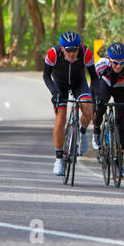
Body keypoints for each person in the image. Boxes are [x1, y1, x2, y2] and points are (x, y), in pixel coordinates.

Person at [43, 31, 99, 176]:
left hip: (78, 83)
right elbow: (46, 75)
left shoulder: (85, 52)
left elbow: (94, 77)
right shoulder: (53, 54)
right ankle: (59, 159)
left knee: (88, 109)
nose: (72, 54)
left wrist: (95, 96)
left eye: (75, 50)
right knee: (60, 119)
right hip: (59, 84)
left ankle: (82, 132)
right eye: (68, 51)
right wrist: (53, 93)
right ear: (62, 49)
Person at [92, 42, 124, 177]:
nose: (119, 66)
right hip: (105, 84)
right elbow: (93, 83)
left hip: (123, 87)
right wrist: (95, 101)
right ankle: (97, 132)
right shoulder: (101, 64)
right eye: (115, 63)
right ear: (109, 59)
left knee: (121, 124)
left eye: (122, 63)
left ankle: (120, 163)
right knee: (99, 108)